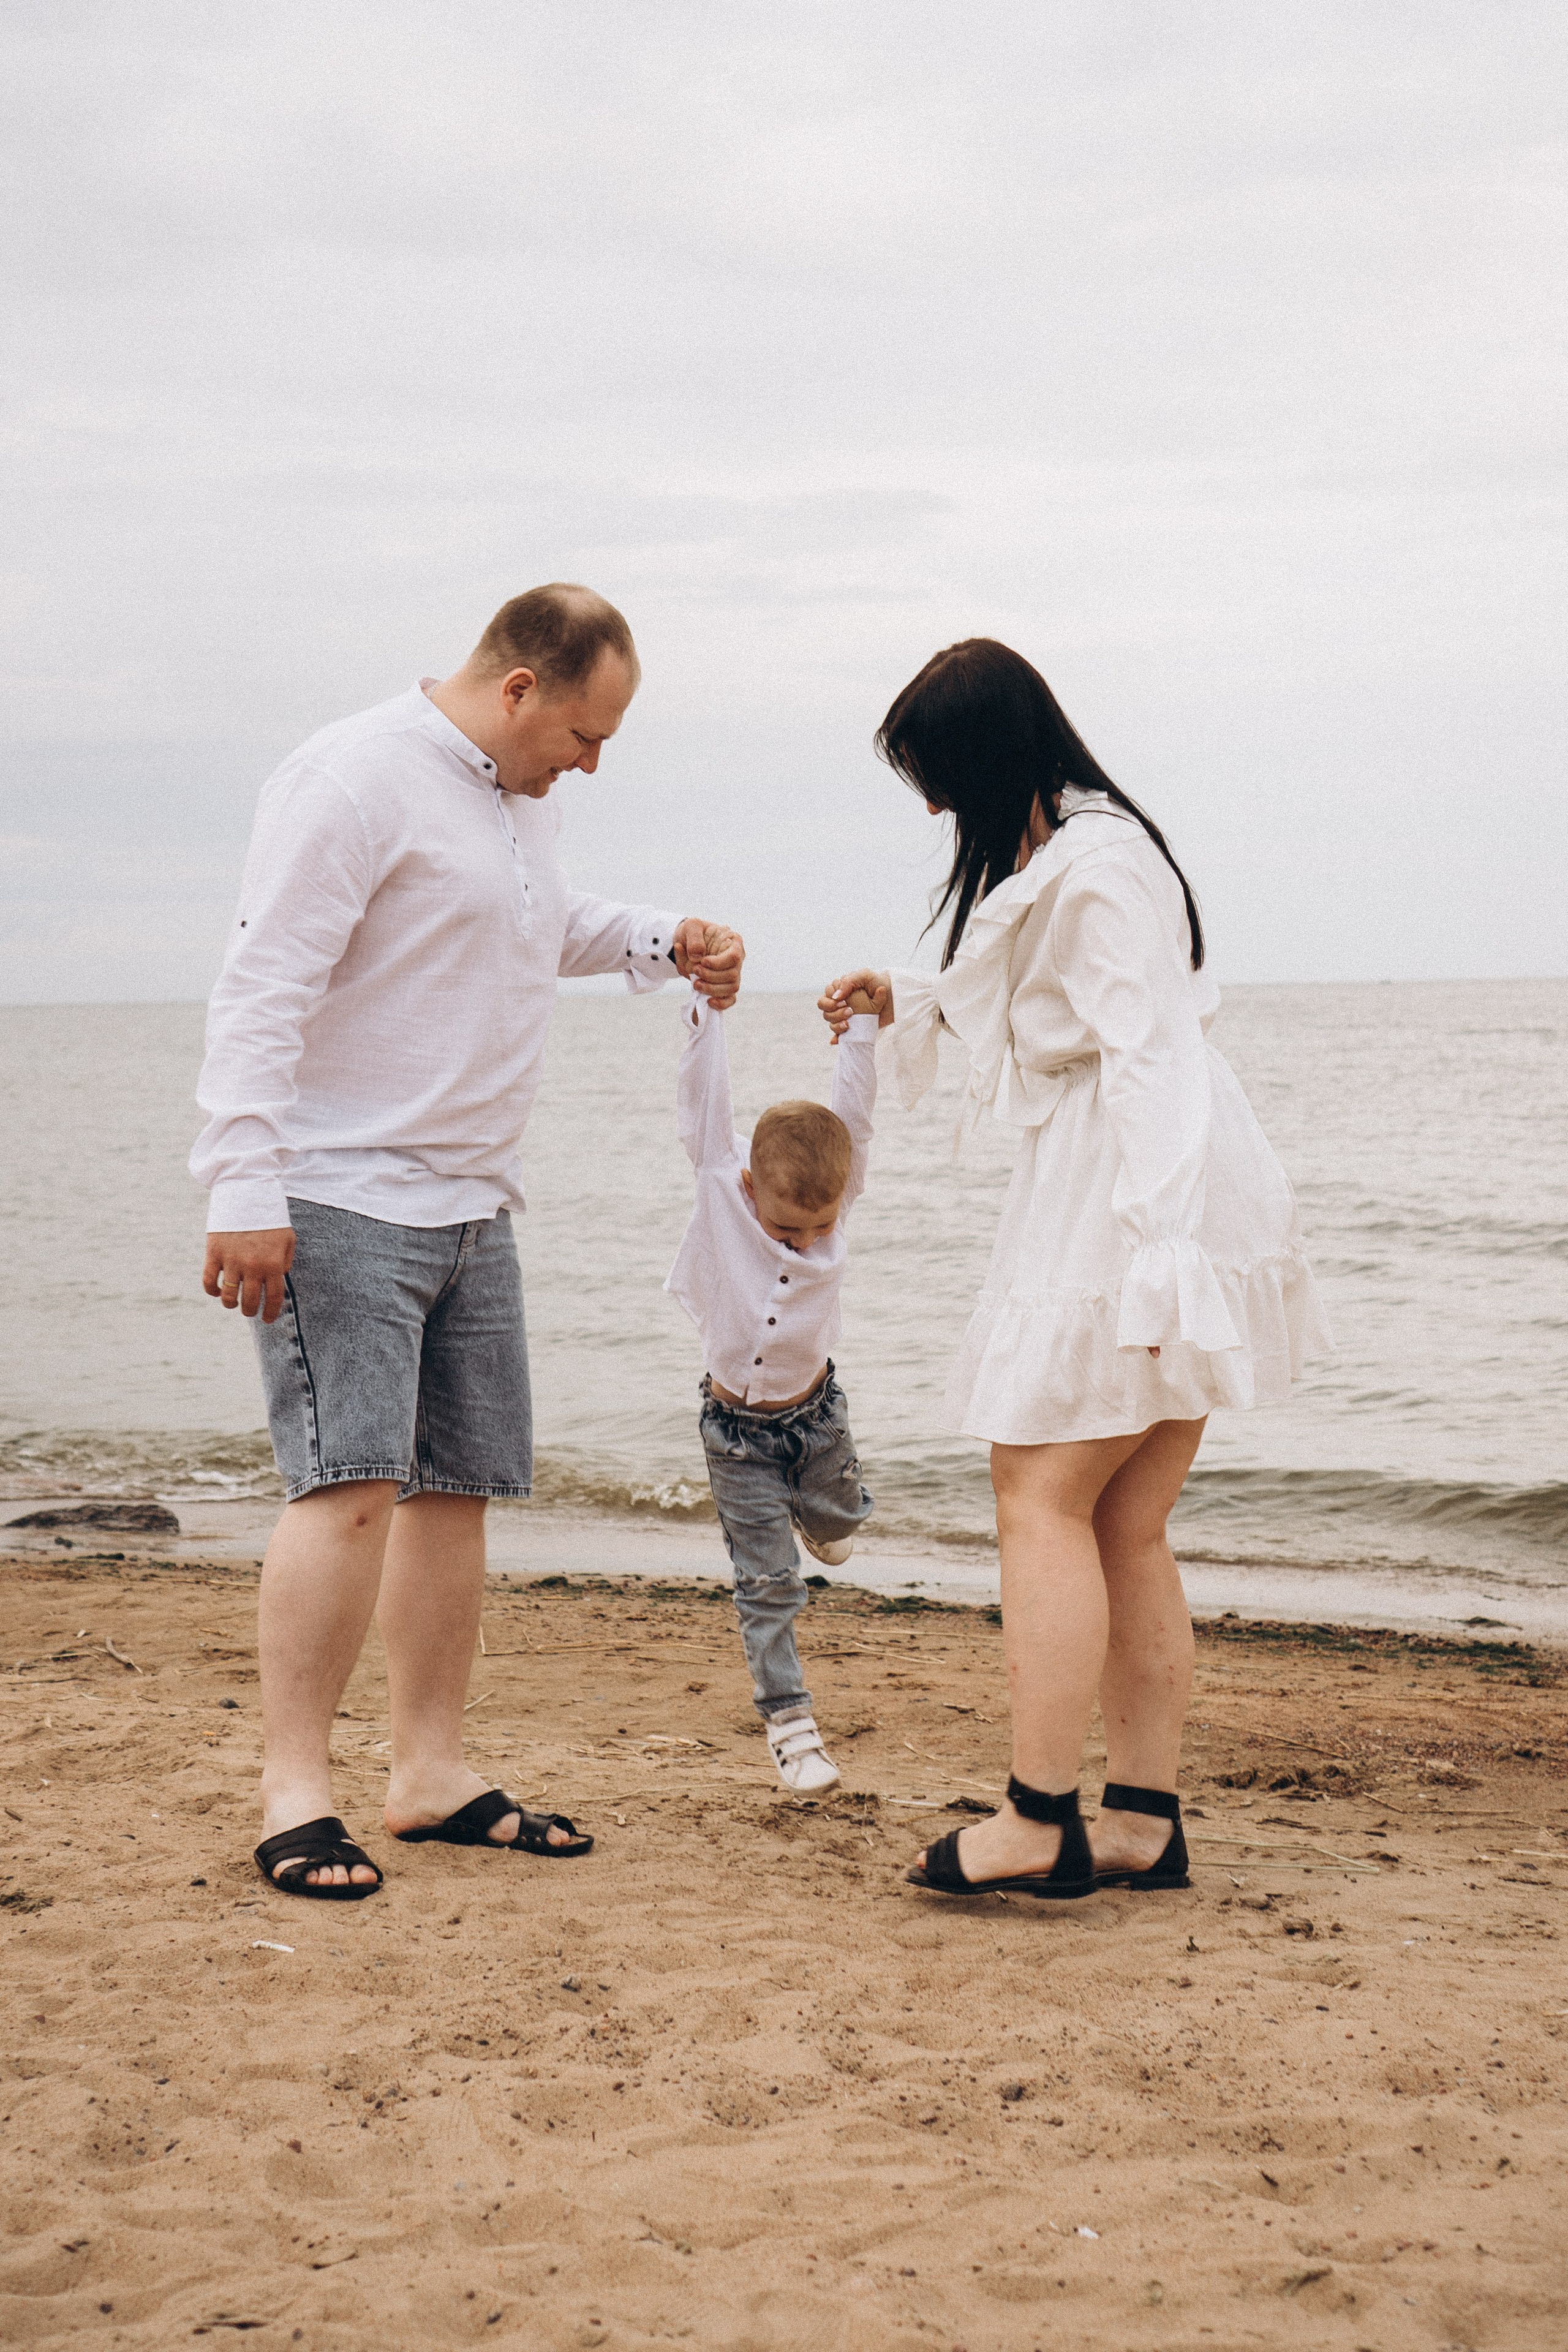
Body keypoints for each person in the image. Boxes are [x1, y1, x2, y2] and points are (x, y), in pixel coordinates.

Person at [192, 584, 745, 1899]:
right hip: (336, 1195)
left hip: (470, 1202)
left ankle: (428, 1775)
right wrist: (240, 1185)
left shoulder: (514, 807)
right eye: (584, 733)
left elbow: (538, 929)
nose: (590, 763)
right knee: (350, 1485)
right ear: (517, 691)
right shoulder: (350, 778)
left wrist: (667, 939)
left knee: (454, 1491)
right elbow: (263, 984)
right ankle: (294, 1796)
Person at [821, 638, 1329, 1903]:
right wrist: (907, 993)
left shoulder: (1094, 871)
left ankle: (1037, 1817)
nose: (933, 807)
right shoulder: (1083, 849)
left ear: (982, 758)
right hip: (1166, 1176)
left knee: (1037, 1497)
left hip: (1136, 1184)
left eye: (934, 778)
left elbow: (1146, 1051)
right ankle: (1142, 1821)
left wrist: (1157, 1251)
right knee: (1119, 1517)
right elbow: (1046, 998)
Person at [665, 981, 881, 1791]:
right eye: (790, 1229)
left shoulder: (835, 1202)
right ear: (751, 1191)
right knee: (767, 1582)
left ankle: (823, 1517)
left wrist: (860, 1027)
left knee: (838, 1533)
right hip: (737, 1437)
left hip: (819, 1421)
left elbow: (854, 1118)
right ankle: (793, 1731)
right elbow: (704, 1107)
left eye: (823, 1227)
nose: (810, 1241)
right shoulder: (725, 1189)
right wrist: (706, 1012)